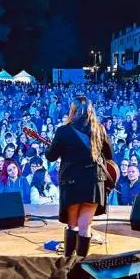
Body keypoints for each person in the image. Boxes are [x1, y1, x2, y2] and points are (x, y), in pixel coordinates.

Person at [45, 95, 113, 258]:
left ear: (73, 111)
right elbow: (109, 154)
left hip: (72, 182)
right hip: (93, 183)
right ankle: (81, 265)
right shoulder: (99, 129)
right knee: (86, 226)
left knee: (72, 224)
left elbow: (51, 156)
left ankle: (68, 262)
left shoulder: (63, 131)